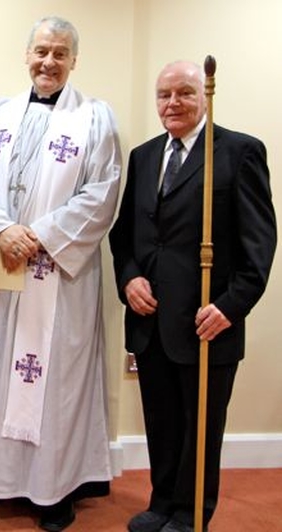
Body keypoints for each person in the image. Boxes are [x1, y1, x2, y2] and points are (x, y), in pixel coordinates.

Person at [0, 16, 122, 532]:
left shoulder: (95, 117)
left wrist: (39, 235)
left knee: (50, 381)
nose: (49, 62)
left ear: (74, 61)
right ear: (27, 55)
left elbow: (102, 193)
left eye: (60, 54)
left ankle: (53, 489)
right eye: (41, 52)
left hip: (57, 276)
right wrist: (3, 231)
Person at [109, 61, 276, 532]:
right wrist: (129, 279)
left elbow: (259, 246)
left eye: (184, 93)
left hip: (206, 321)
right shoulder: (143, 157)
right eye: (164, 95)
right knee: (161, 422)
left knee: (200, 427)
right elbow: (125, 236)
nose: (173, 103)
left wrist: (229, 307)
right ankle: (161, 503)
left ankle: (190, 512)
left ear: (203, 96)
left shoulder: (238, 152)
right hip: (150, 319)